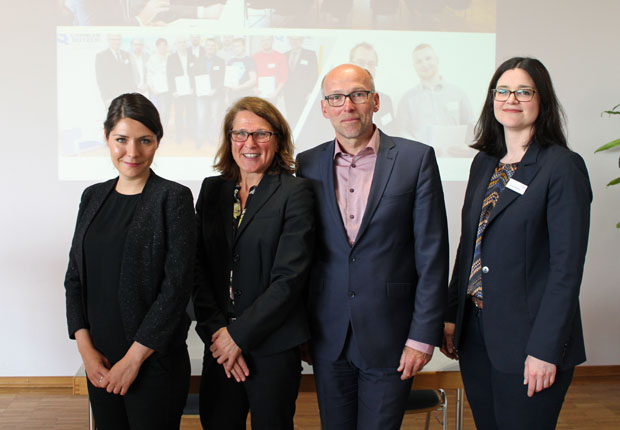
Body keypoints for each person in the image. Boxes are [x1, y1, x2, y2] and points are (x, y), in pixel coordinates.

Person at [441, 57, 592, 430]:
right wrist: (450, 315)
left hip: (530, 342)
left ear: (543, 100)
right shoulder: (485, 163)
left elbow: (565, 269)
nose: (512, 99)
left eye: (524, 91)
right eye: (503, 91)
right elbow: (470, 246)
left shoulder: (562, 167)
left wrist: (545, 349)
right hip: (476, 334)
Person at [296, 64, 449, 429]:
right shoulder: (307, 164)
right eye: (336, 97)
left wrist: (422, 338)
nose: (347, 105)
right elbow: (303, 255)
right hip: (327, 335)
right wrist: (301, 329)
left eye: (358, 94)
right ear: (324, 108)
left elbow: (432, 255)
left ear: (375, 100)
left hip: (392, 337)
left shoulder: (416, 159)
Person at [64, 93, 196, 429]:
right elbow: (74, 278)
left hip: (153, 364)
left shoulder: (173, 198)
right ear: (107, 138)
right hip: (100, 361)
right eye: (121, 139)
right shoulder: (93, 196)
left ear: (158, 142)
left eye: (145, 141)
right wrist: (86, 351)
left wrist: (133, 360)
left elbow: (177, 289)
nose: (132, 152)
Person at [193, 97, 315, 430]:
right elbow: (197, 268)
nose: (250, 143)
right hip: (219, 343)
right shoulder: (212, 190)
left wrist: (239, 336)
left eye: (262, 134)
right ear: (228, 139)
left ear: (278, 140)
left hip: (273, 345)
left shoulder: (295, 192)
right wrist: (219, 334)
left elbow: (290, 278)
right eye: (240, 134)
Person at [395, 43, 474, 157]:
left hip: (455, 160)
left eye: (428, 58)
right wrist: (421, 149)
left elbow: (471, 126)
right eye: (419, 61)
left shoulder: (458, 93)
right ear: (414, 66)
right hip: (421, 163)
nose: (425, 64)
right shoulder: (407, 99)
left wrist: (468, 148)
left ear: (437, 60)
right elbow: (402, 132)